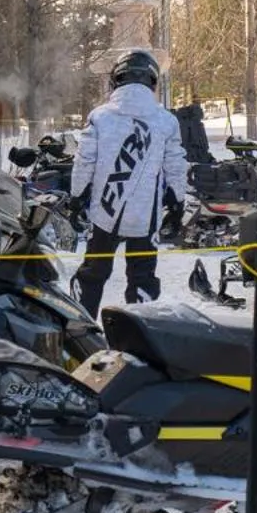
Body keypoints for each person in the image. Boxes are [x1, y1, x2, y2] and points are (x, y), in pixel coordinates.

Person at [71, 49, 189, 315]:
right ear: (152, 81)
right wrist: (178, 202)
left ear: (116, 80)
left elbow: (84, 161)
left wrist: (76, 197)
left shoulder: (99, 116)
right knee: (143, 278)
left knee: (93, 274)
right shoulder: (166, 121)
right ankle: (140, 335)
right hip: (145, 215)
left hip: (105, 212)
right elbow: (176, 165)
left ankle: (78, 333)